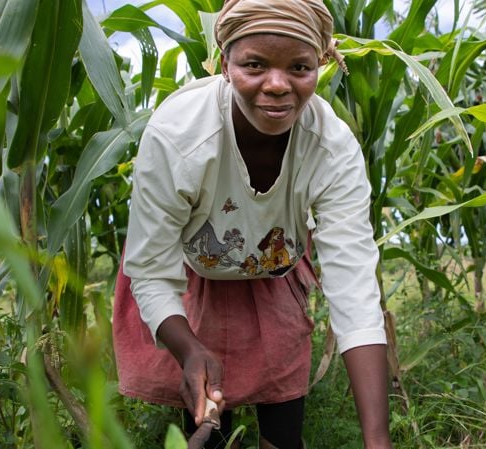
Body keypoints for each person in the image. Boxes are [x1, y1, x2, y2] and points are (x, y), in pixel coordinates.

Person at [112, 0, 393, 447]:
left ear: (320, 65)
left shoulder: (332, 148)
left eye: (299, 67)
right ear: (224, 63)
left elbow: (354, 289)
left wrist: (378, 440)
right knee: (206, 417)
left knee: (283, 424)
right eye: (254, 65)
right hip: (191, 278)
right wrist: (189, 348)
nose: (277, 85)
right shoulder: (179, 135)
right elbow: (150, 271)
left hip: (272, 275)